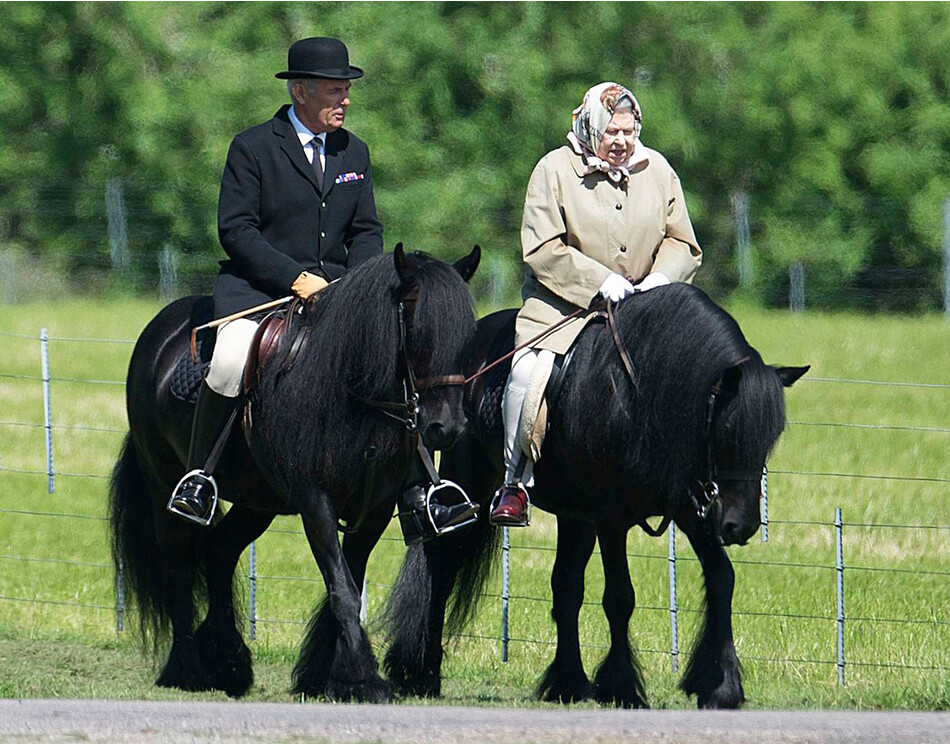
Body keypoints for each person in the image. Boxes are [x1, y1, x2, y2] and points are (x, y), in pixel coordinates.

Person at [169, 37, 472, 540]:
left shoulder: (355, 150)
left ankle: (423, 489)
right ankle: (201, 478)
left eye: (348, 90)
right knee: (228, 360)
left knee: (396, 365)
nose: (346, 100)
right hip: (261, 292)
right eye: (336, 90)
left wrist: (358, 287)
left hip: (339, 295)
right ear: (302, 92)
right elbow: (237, 231)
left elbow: (366, 230)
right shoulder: (253, 147)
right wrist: (295, 278)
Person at [489, 81, 703, 527]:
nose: (623, 142)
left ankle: (696, 480)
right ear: (591, 126)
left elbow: (682, 240)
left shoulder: (659, 170)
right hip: (563, 309)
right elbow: (542, 249)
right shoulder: (552, 170)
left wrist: (659, 280)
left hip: (645, 309)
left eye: (629, 131)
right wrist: (599, 280)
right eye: (613, 132)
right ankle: (515, 482)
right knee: (528, 376)